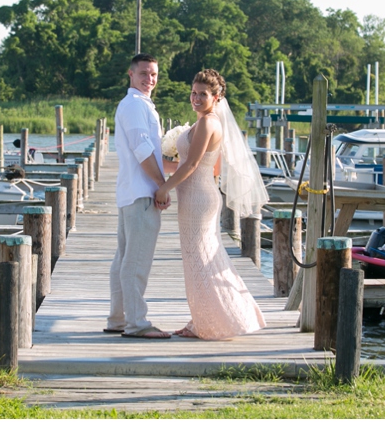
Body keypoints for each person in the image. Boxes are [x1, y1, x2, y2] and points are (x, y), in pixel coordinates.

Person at [154, 69, 268, 340]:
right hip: (196, 196)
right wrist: (151, 164)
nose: (196, 98)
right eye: (194, 93)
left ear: (216, 97)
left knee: (201, 260)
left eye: (203, 94)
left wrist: (164, 188)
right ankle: (200, 319)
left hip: (198, 198)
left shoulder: (208, 123)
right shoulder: (203, 121)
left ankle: (213, 320)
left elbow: (193, 165)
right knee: (200, 259)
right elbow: (197, 163)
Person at [105, 53, 171, 339]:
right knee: (136, 261)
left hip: (131, 192)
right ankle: (136, 323)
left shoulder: (140, 105)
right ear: (130, 74)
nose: (150, 79)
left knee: (124, 258)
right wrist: (161, 186)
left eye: (154, 74)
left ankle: (118, 319)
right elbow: (142, 149)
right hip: (141, 192)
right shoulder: (133, 105)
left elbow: (151, 151)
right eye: (144, 73)